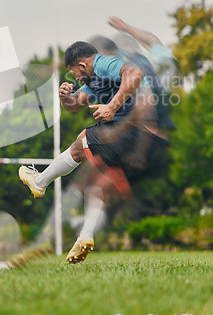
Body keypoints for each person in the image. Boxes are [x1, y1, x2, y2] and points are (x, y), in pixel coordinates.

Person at [19, 40, 148, 263]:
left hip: (129, 131)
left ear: (82, 64)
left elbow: (136, 73)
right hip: (131, 140)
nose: (76, 78)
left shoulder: (103, 64)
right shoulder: (93, 79)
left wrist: (112, 107)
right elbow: (76, 104)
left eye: (74, 73)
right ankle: (85, 237)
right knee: (93, 182)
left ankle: (40, 182)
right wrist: (64, 97)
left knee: (81, 142)